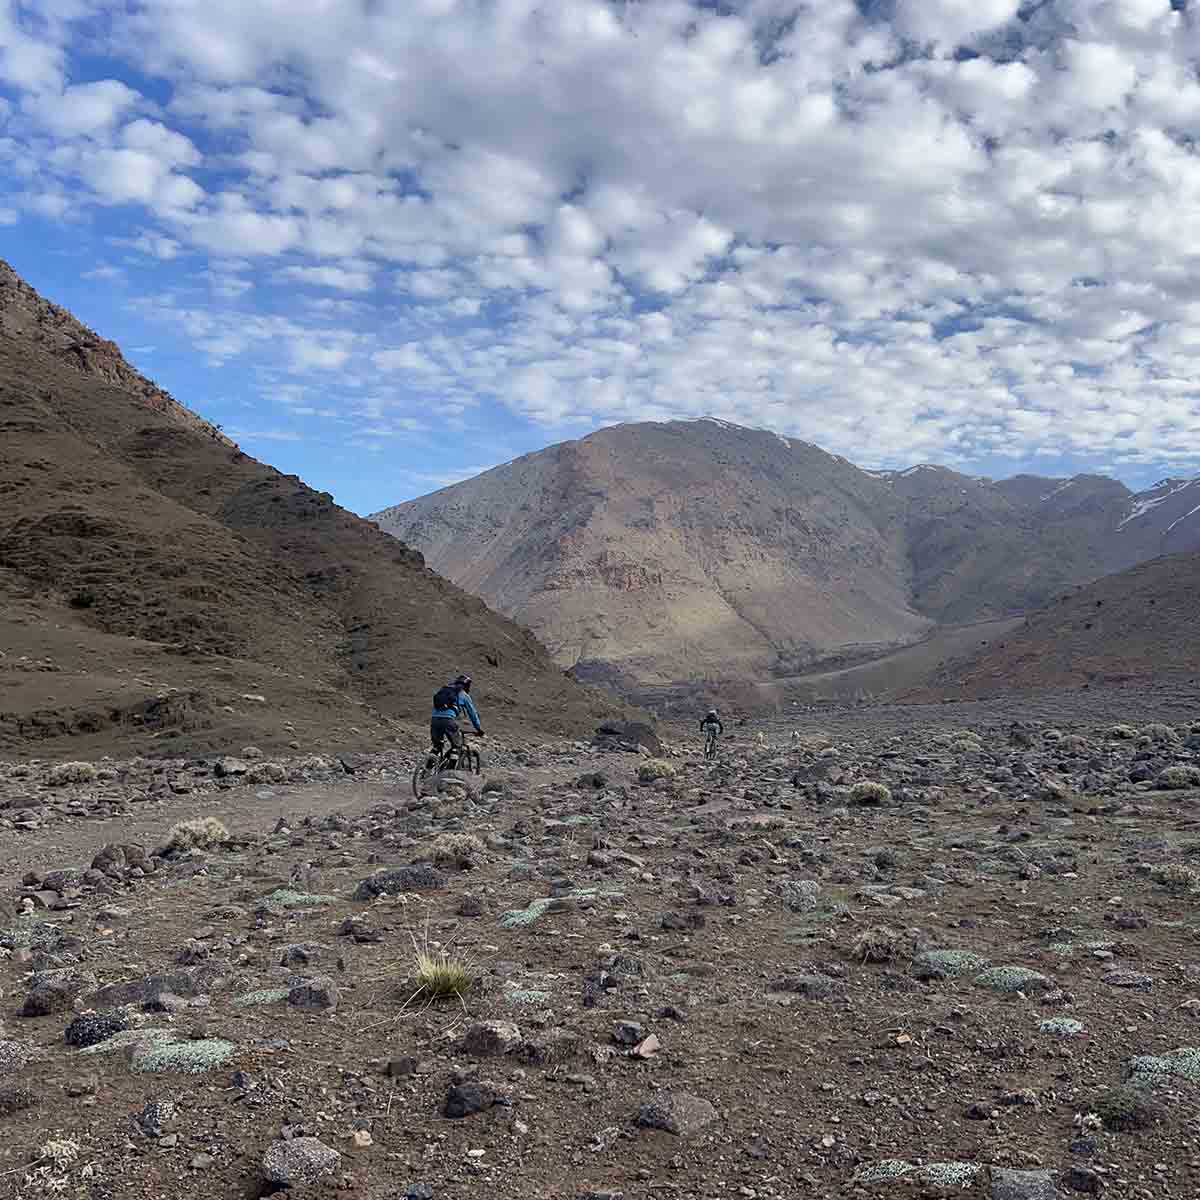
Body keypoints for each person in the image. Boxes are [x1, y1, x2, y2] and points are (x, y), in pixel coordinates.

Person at [431, 673, 484, 755]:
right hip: (448, 720)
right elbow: (472, 713)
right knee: (456, 746)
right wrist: (479, 729)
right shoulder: (464, 695)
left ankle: (428, 765)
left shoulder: (444, 690)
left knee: (437, 747)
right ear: (467, 686)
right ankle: (450, 767)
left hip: (434, 719)